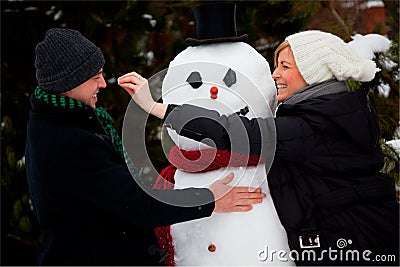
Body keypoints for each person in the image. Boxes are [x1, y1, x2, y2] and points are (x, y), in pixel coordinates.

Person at [119, 30, 399, 265]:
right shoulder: (331, 109)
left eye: (285, 67)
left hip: (354, 242)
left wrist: (158, 108)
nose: (275, 74)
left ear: (313, 72)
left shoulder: (315, 124)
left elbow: (239, 134)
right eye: (276, 65)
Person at [25, 28, 267, 266]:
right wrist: (210, 199)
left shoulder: (53, 121)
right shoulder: (68, 142)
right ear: (70, 82)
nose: (103, 84)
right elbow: (140, 204)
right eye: (94, 77)